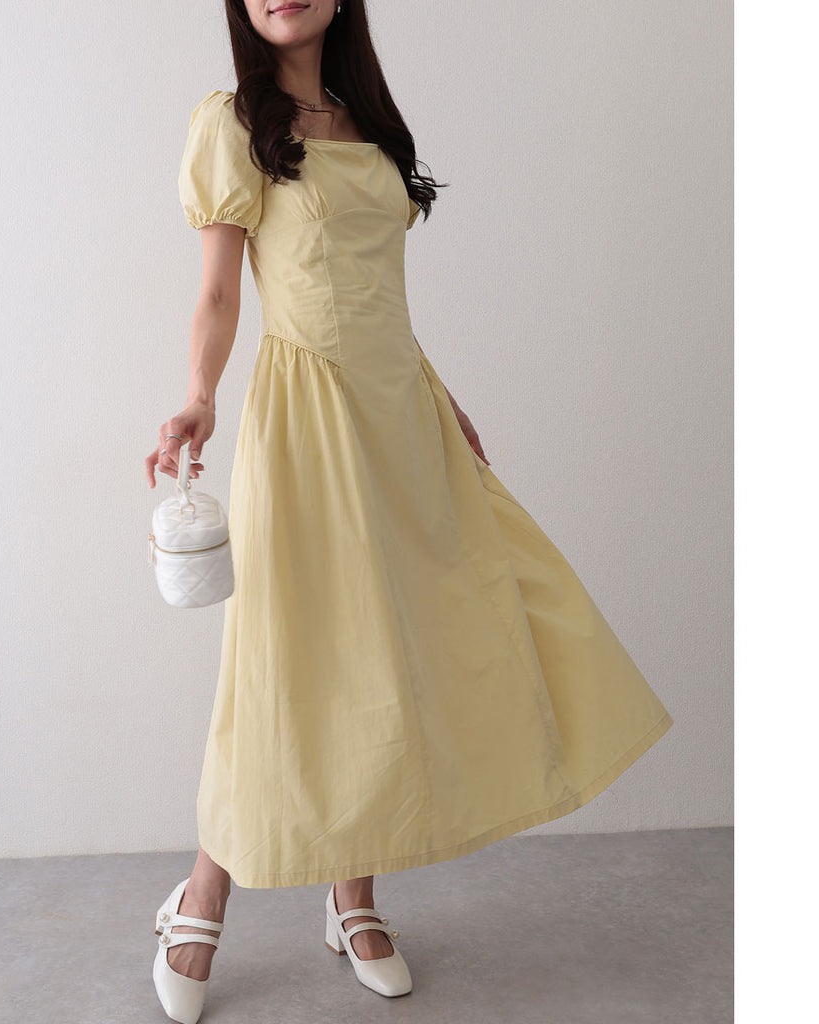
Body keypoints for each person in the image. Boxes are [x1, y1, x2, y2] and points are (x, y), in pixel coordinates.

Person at [146, 3, 674, 1022]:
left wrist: (440, 394)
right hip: (308, 420)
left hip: (403, 411)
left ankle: (354, 898)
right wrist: (200, 396)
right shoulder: (232, 122)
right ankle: (200, 896)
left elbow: (379, 292)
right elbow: (219, 294)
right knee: (288, 658)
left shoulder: (369, 123)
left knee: (403, 647)